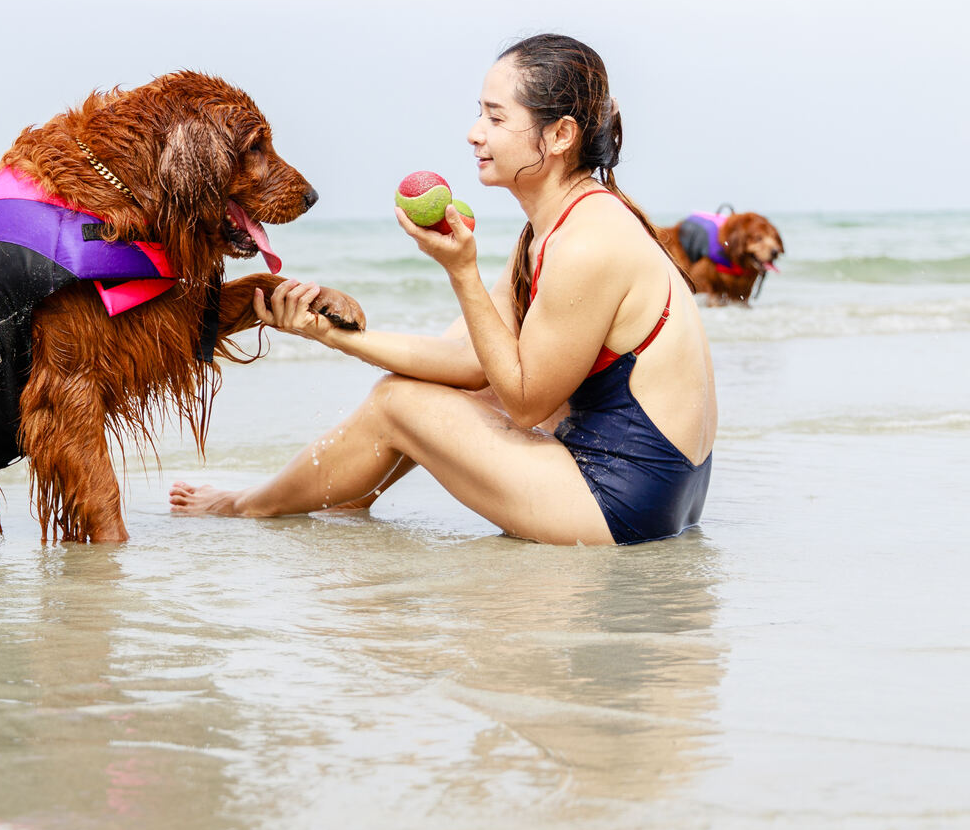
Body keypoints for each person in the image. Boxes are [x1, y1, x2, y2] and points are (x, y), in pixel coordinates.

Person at [169, 34, 715, 545]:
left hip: (622, 502)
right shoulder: (557, 227)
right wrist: (323, 332)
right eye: (479, 112)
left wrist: (462, 272)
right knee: (415, 391)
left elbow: (526, 403)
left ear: (560, 135)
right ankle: (340, 497)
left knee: (397, 403)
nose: (475, 132)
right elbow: (467, 360)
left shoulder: (586, 242)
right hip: (656, 493)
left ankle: (252, 507)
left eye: (496, 117)